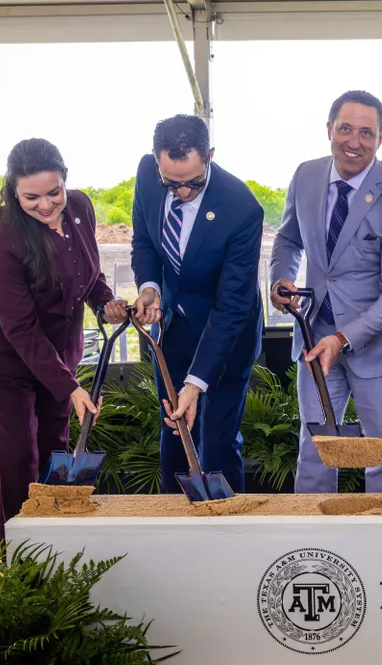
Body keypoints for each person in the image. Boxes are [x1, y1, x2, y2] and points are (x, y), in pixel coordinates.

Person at [0, 139, 126, 540]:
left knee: (56, 447)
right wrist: (69, 387)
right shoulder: (4, 239)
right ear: (13, 191)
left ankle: (55, 544)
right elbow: (20, 329)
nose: (46, 205)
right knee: (16, 457)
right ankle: (20, 556)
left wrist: (105, 303)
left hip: (57, 354)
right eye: (31, 197)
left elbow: (88, 274)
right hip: (3, 356)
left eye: (54, 192)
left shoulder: (81, 208)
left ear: (66, 181)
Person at [269, 90, 382, 494]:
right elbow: (288, 239)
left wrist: (341, 339)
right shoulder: (305, 176)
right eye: (346, 129)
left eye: (366, 133)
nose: (354, 142)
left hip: (378, 348)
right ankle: (313, 549)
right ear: (329, 129)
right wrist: (280, 280)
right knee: (316, 449)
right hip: (313, 338)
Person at [130, 114, 264, 495]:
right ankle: (175, 529)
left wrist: (196, 382)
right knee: (174, 436)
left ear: (210, 156)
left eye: (194, 182)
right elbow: (144, 241)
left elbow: (232, 306)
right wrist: (151, 288)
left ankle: (227, 533)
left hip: (226, 336)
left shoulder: (242, 208)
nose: (183, 192)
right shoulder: (146, 174)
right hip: (174, 332)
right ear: (156, 161)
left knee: (217, 441)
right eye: (172, 183)